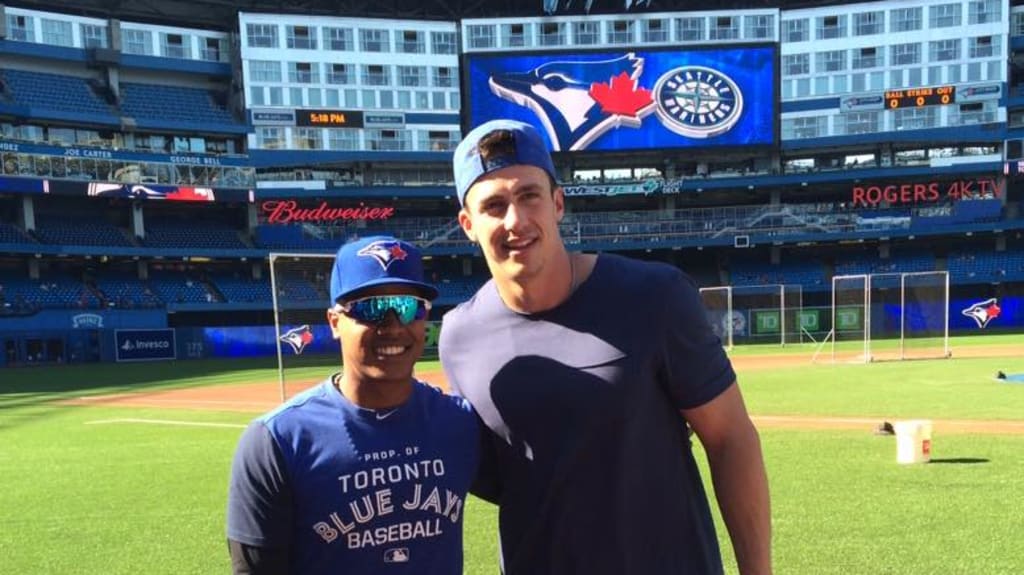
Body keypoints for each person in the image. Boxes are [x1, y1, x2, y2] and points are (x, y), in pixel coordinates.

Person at [440, 120, 771, 574]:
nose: (515, 220)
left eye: (529, 195)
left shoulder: (654, 296)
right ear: (467, 225)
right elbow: (506, 477)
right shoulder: (459, 336)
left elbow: (731, 437)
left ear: (557, 203)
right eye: (493, 206)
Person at [227, 235, 479, 574]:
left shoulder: (460, 423)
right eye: (370, 308)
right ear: (334, 322)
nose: (393, 326)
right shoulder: (277, 441)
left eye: (408, 307)